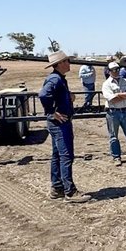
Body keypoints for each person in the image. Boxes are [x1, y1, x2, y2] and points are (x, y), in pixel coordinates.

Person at [39, 51, 88, 202]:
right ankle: (70, 192)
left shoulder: (58, 79)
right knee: (66, 156)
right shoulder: (55, 79)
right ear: (59, 64)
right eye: (66, 61)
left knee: (57, 155)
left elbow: (53, 95)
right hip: (60, 123)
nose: (69, 63)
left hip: (57, 124)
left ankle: (57, 188)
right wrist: (52, 112)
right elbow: (43, 95)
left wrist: (68, 96)